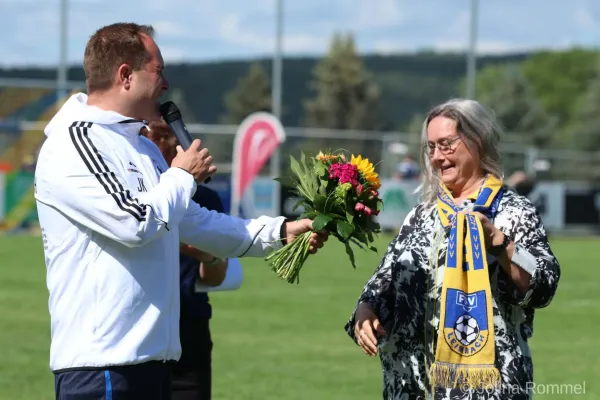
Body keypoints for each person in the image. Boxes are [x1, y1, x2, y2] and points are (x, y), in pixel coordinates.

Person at [34, 22, 327, 400]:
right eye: (158, 71)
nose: (166, 84)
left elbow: (194, 221)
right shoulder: (74, 143)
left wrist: (280, 233)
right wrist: (182, 174)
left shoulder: (141, 147)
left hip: (153, 364)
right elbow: (135, 223)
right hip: (103, 367)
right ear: (126, 75)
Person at [344, 99, 560, 400]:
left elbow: (543, 286)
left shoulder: (513, 211)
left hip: (488, 388)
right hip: (412, 386)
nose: (436, 157)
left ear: (477, 141)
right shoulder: (421, 215)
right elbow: (382, 284)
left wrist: (497, 241)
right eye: (430, 147)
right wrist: (365, 312)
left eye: (446, 145)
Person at [141, 120, 227, 400]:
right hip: (139, 328)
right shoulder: (134, 201)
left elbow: (215, 276)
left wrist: (207, 256)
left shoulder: (204, 199)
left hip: (189, 328)